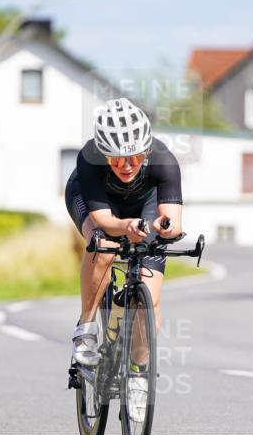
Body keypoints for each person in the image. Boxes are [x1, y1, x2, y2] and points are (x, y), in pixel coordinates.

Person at [64, 97, 183, 376]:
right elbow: (103, 220)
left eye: (136, 157)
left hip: (145, 205)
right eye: (117, 159)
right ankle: (86, 329)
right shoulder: (89, 157)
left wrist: (165, 227)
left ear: (147, 150)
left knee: (150, 300)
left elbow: (174, 221)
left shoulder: (163, 159)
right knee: (102, 244)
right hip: (98, 203)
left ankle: (138, 369)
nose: (127, 165)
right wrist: (127, 226)